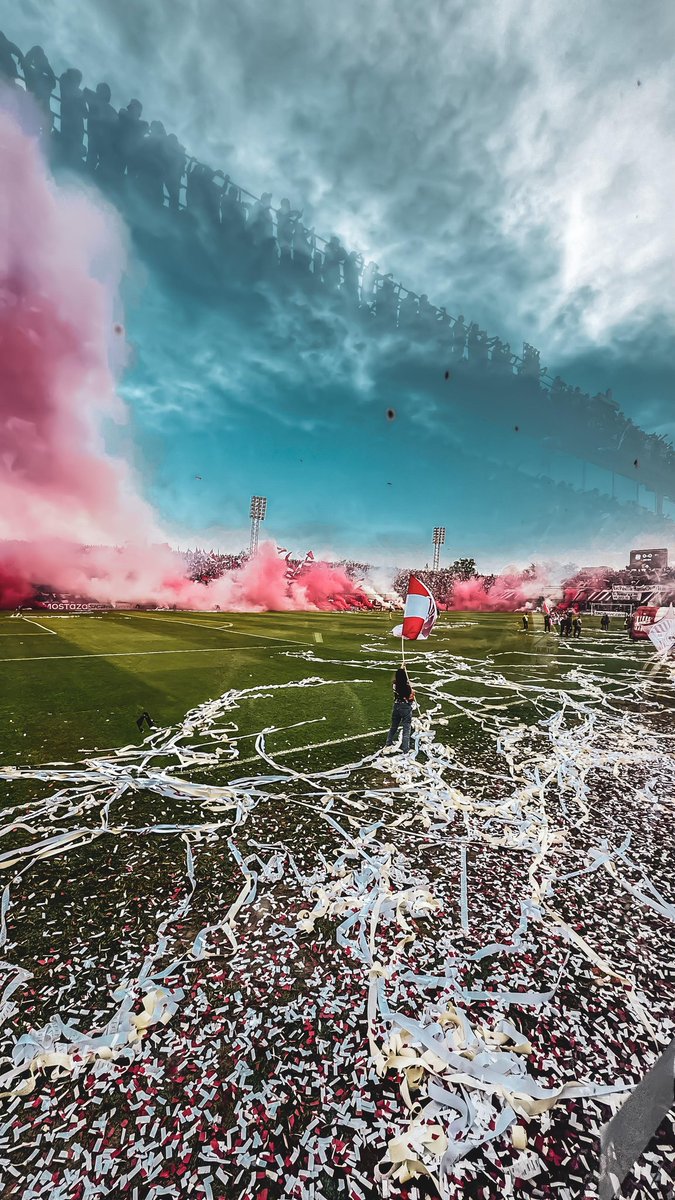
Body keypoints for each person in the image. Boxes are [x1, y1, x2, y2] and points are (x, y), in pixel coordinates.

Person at [384, 665, 415, 754]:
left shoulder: (395, 684)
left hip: (396, 706)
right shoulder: (407, 687)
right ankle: (406, 749)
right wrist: (412, 694)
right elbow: (410, 699)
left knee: (393, 726)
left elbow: (400, 676)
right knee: (406, 728)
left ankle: (388, 742)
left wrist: (402, 667)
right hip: (405, 707)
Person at [23, 45, 56, 129]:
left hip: (35, 112)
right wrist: (46, 65)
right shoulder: (35, 75)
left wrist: (31, 55)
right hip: (37, 112)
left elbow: (25, 64)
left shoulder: (31, 74)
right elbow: (53, 81)